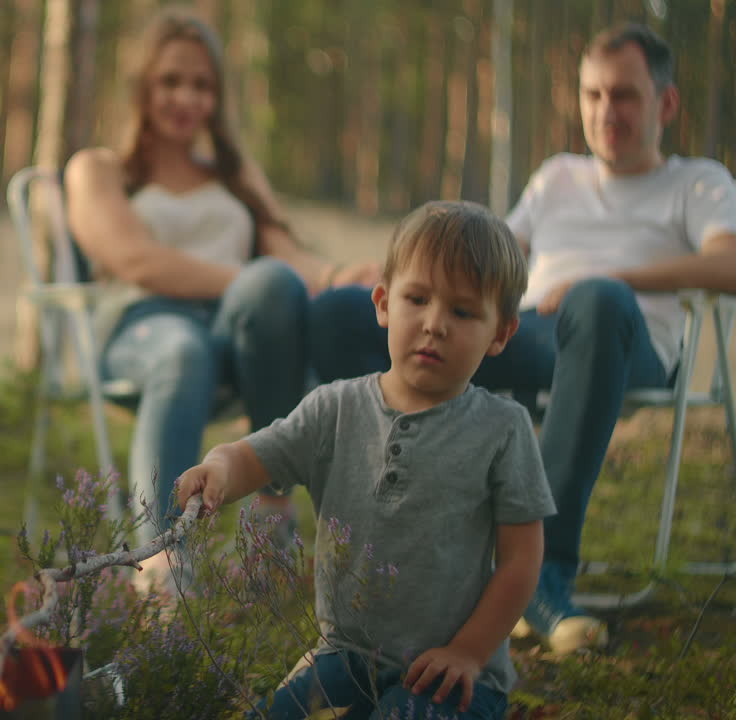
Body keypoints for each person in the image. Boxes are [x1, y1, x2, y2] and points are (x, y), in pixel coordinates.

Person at [308, 23, 736, 655]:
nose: (604, 112)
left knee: (598, 301)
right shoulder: (558, 177)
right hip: (526, 333)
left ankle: (543, 575)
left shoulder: (698, 184)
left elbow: (727, 264)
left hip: (625, 345)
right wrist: (394, 276)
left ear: (665, 104)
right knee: (344, 312)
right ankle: (379, 550)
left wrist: (607, 275)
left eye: (623, 96)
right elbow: (483, 257)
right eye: (592, 96)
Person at [177, 201, 554, 719]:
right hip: (346, 656)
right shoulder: (335, 408)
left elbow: (521, 560)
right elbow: (257, 455)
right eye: (417, 299)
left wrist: (468, 653)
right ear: (382, 302)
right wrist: (219, 467)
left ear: (501, 333)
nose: (434, 324)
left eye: (463, 312)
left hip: (450, 674)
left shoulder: (503, 429)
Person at [63, 5, 378, 589]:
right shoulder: (100, 170)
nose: (187, 97)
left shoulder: (234, 174)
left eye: (202, 85)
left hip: (233, 333)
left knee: (275, 284)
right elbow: (135, 259)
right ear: (141, 87)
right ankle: (162, 562)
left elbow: (287, 256)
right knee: (188, 345)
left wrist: (337, 273)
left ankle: (271, 512)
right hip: (142, 325)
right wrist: (244, 277)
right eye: (171, 81)